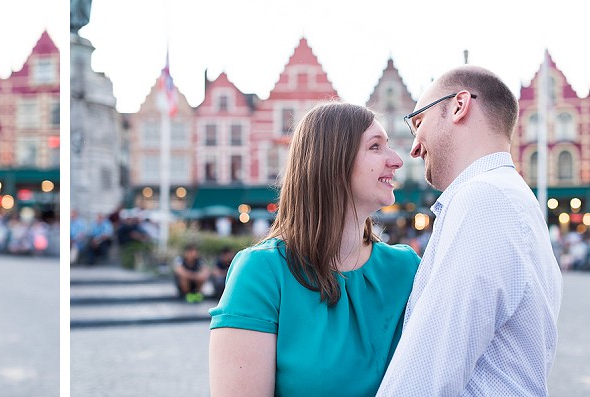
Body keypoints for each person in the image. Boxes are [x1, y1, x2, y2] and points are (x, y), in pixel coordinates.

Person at [376, 65, 562, 395]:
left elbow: (428, 369)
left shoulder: (484, 198)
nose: (414, 148)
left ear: (459, 106)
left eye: (418, 122)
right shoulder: (511, 197)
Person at [209, 102, 417, 396]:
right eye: (375, 147)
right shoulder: (262, 273)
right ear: (332, 162)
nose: (396, 160)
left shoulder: (407, 268)